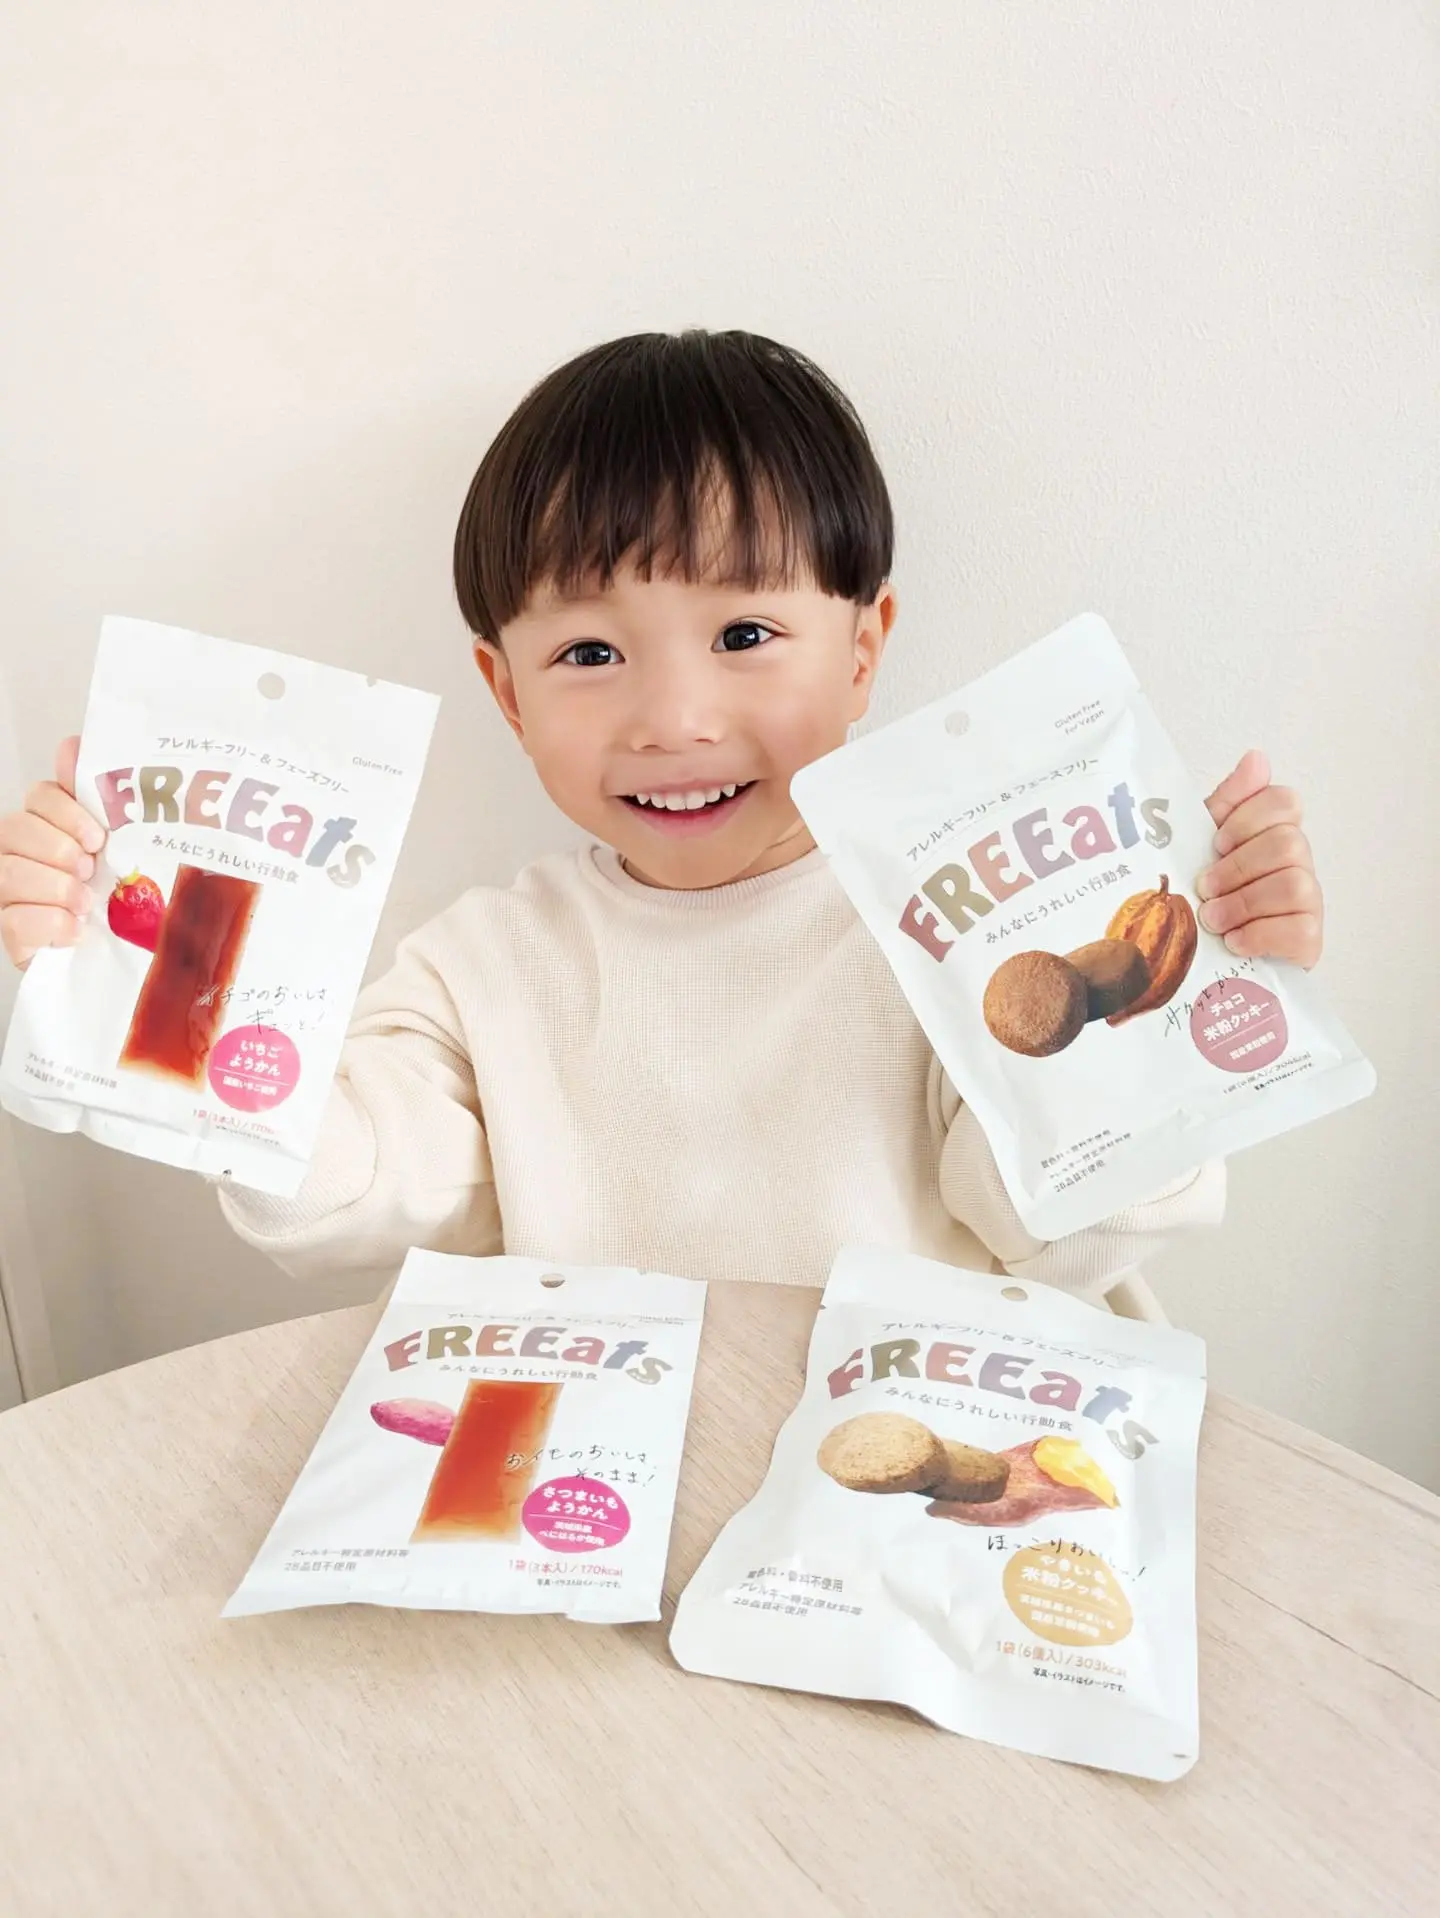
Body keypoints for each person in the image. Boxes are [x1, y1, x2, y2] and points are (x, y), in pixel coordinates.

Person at [0, 330, 1324, 1303]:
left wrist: (1180, 1004)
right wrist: (161, 966)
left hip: (915, 1522)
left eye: (745, 633)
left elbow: (1068, 1233)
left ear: (864, 650)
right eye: (590, 653)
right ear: (505, 692)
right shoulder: (483, 969)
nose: (674, 718)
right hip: (601, 1519)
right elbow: (353, 1179)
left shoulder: (952, 927)